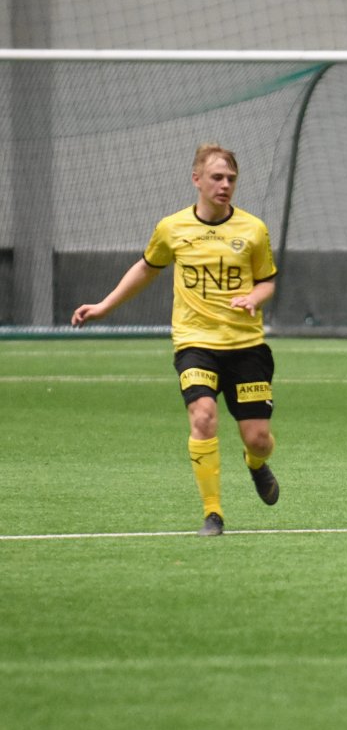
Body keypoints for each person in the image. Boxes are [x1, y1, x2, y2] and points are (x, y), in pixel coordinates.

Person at [72, 143, 281, 537]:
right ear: (196, 179)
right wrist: (104, 306)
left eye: (231, 179)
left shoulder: (253, 229)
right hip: (194, 343)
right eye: (217, 177)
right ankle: (213, 514)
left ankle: (255, 464)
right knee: (202, 416)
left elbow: (267, 280)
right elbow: (146, 268)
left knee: (258, 439)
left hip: (245, 346)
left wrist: (254, 297)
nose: (225, 185)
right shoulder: (172, 228)